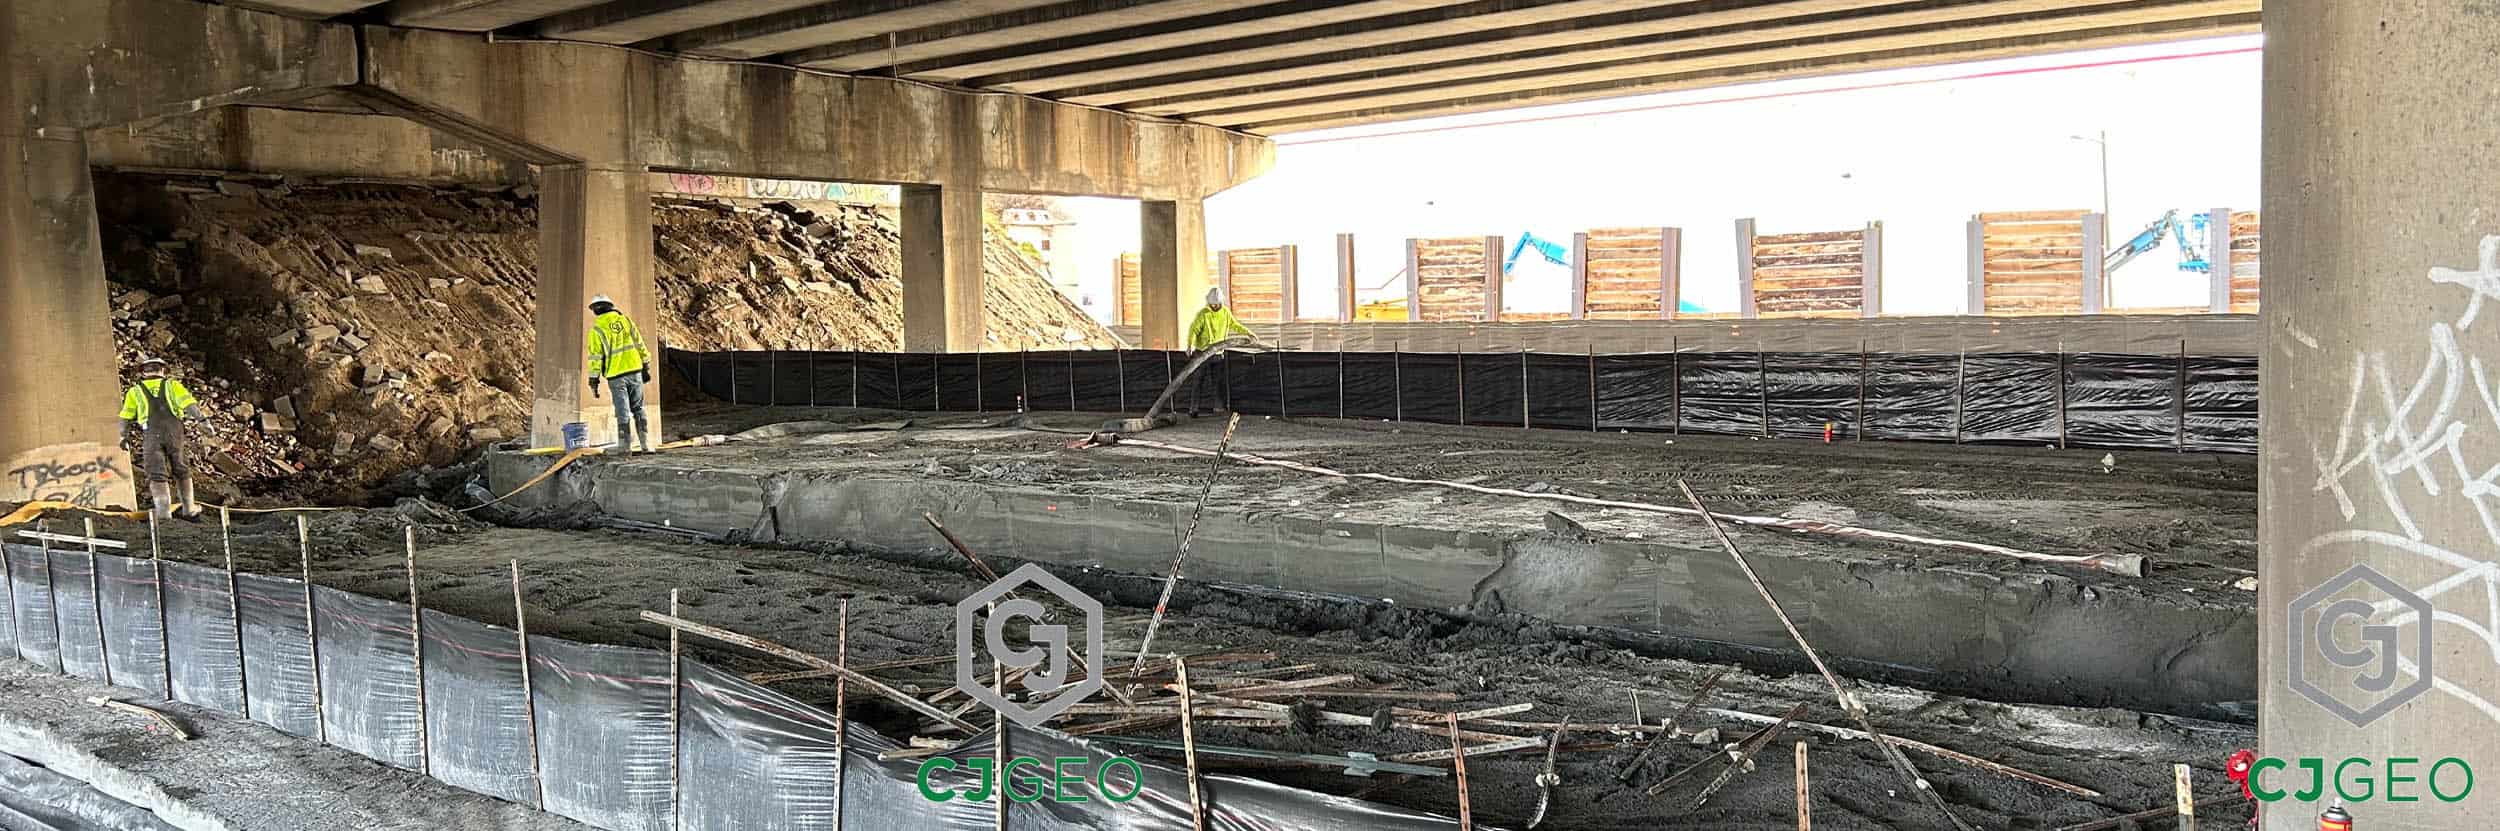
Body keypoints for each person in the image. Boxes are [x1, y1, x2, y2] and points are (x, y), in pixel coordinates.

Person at [118, 356, 202, 522]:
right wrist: (203, 421)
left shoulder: (134, 392)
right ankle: (189, 509)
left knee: (156, 473)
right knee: (181, 468)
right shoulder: (173, 386)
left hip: (151, 435)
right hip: (174, 434)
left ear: (143, 373)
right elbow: (190, 406)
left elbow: (125, 418)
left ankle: (163, 515)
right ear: (163, 370)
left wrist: (123, 436)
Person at [583, 294, 654, 453]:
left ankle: (625, 446)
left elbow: (595, 358)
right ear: (610, 306)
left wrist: (594, 380)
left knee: (622, 412)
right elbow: (640, 343)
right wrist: (646, 365)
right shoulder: (625, 321)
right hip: (635, 370)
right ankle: (646, 445)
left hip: (616, 375)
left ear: (595, 310)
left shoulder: (597, 330)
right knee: (639, 408)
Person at [1184, 287, 1257, 415]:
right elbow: (1193, 330)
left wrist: (1249, 333)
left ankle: (1218, 407)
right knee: (1198, 381)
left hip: (1217, 354)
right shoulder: (1203, 314)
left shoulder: (1225, 313)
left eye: (1217, 304)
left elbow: (1235, 325)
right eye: (1213, 304)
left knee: (1217, 382)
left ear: (1221, 302)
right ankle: (1193, 409)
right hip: (1202, 353)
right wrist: (1189, 345)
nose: (1215, 306)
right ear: (1209, 302)